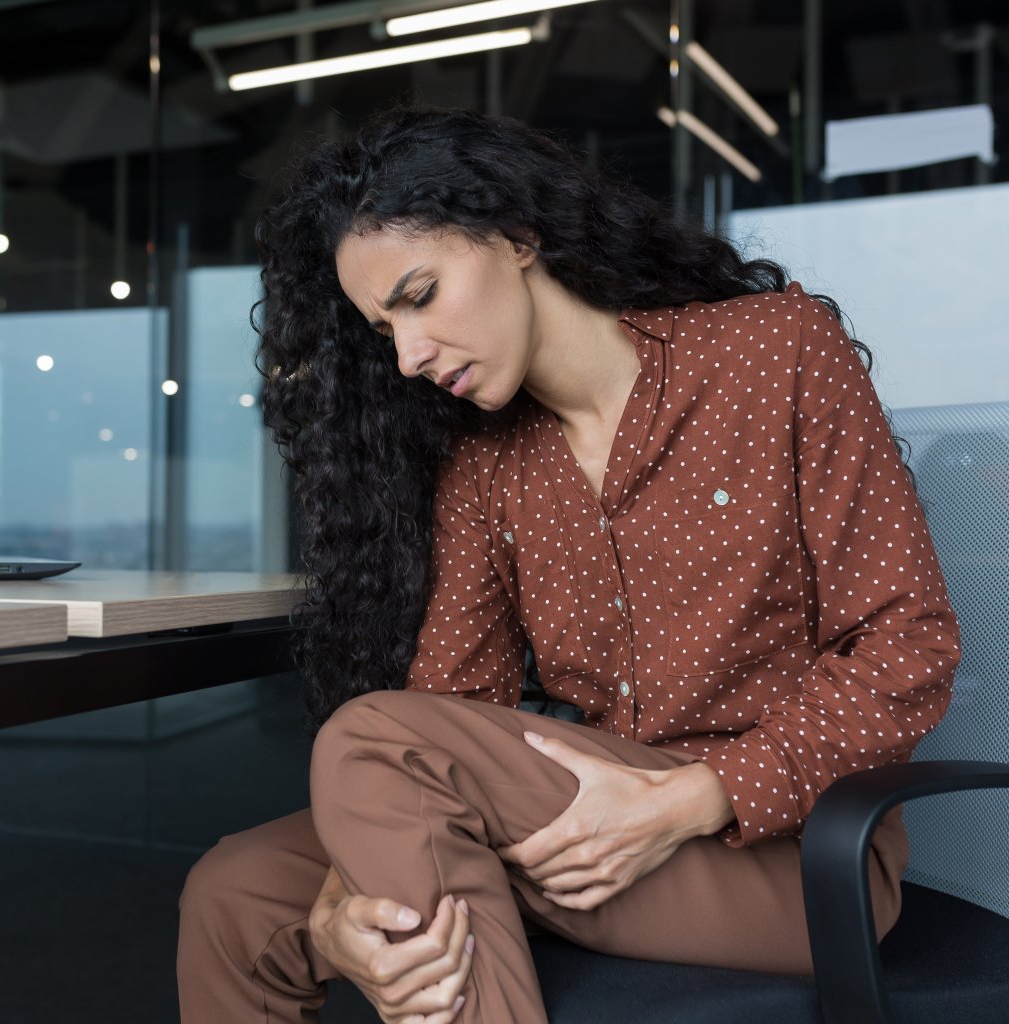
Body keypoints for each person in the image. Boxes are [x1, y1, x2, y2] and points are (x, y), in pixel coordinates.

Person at [177, 105, 961, 1024]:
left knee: (372, 739)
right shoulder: (485, 465)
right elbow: (449, 707)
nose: (409, 356)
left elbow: (908, 647)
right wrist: (338, 912)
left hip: (790, 855)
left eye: (419, 296)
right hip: (583, 820)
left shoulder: (775, 350)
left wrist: (682, 803)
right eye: (384, 331)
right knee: (236, 893)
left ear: (517, 235)